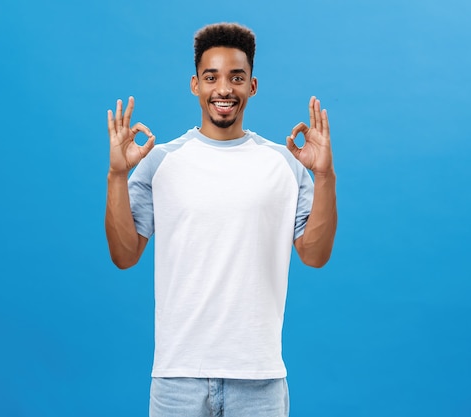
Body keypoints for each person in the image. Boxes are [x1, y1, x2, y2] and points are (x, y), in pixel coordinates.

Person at [105, 22, 337, 417]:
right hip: (177, 378)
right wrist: (117, 176)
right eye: (212, 77)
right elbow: (125, 255)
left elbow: (314, 255)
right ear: (195, 84)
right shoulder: (159, 161)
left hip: (259, 379)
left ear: (253, 85)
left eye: (236, 77)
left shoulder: (284, 164)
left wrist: (324, 176)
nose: (224, 89)